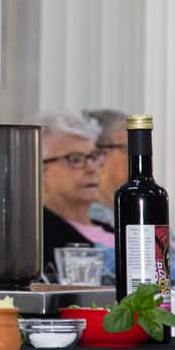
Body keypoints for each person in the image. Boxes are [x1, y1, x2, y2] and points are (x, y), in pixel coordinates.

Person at [85, 108, 175, 286]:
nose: (134, 156)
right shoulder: (95, 214)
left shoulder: (148, 198)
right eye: (126, 148)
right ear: (98, 154)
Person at [26, 110, 114, 280]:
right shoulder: (37, 239)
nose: (92, 168)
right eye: (75, 159)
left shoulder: (113, 227)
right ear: (37, 167)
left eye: (94, 156)